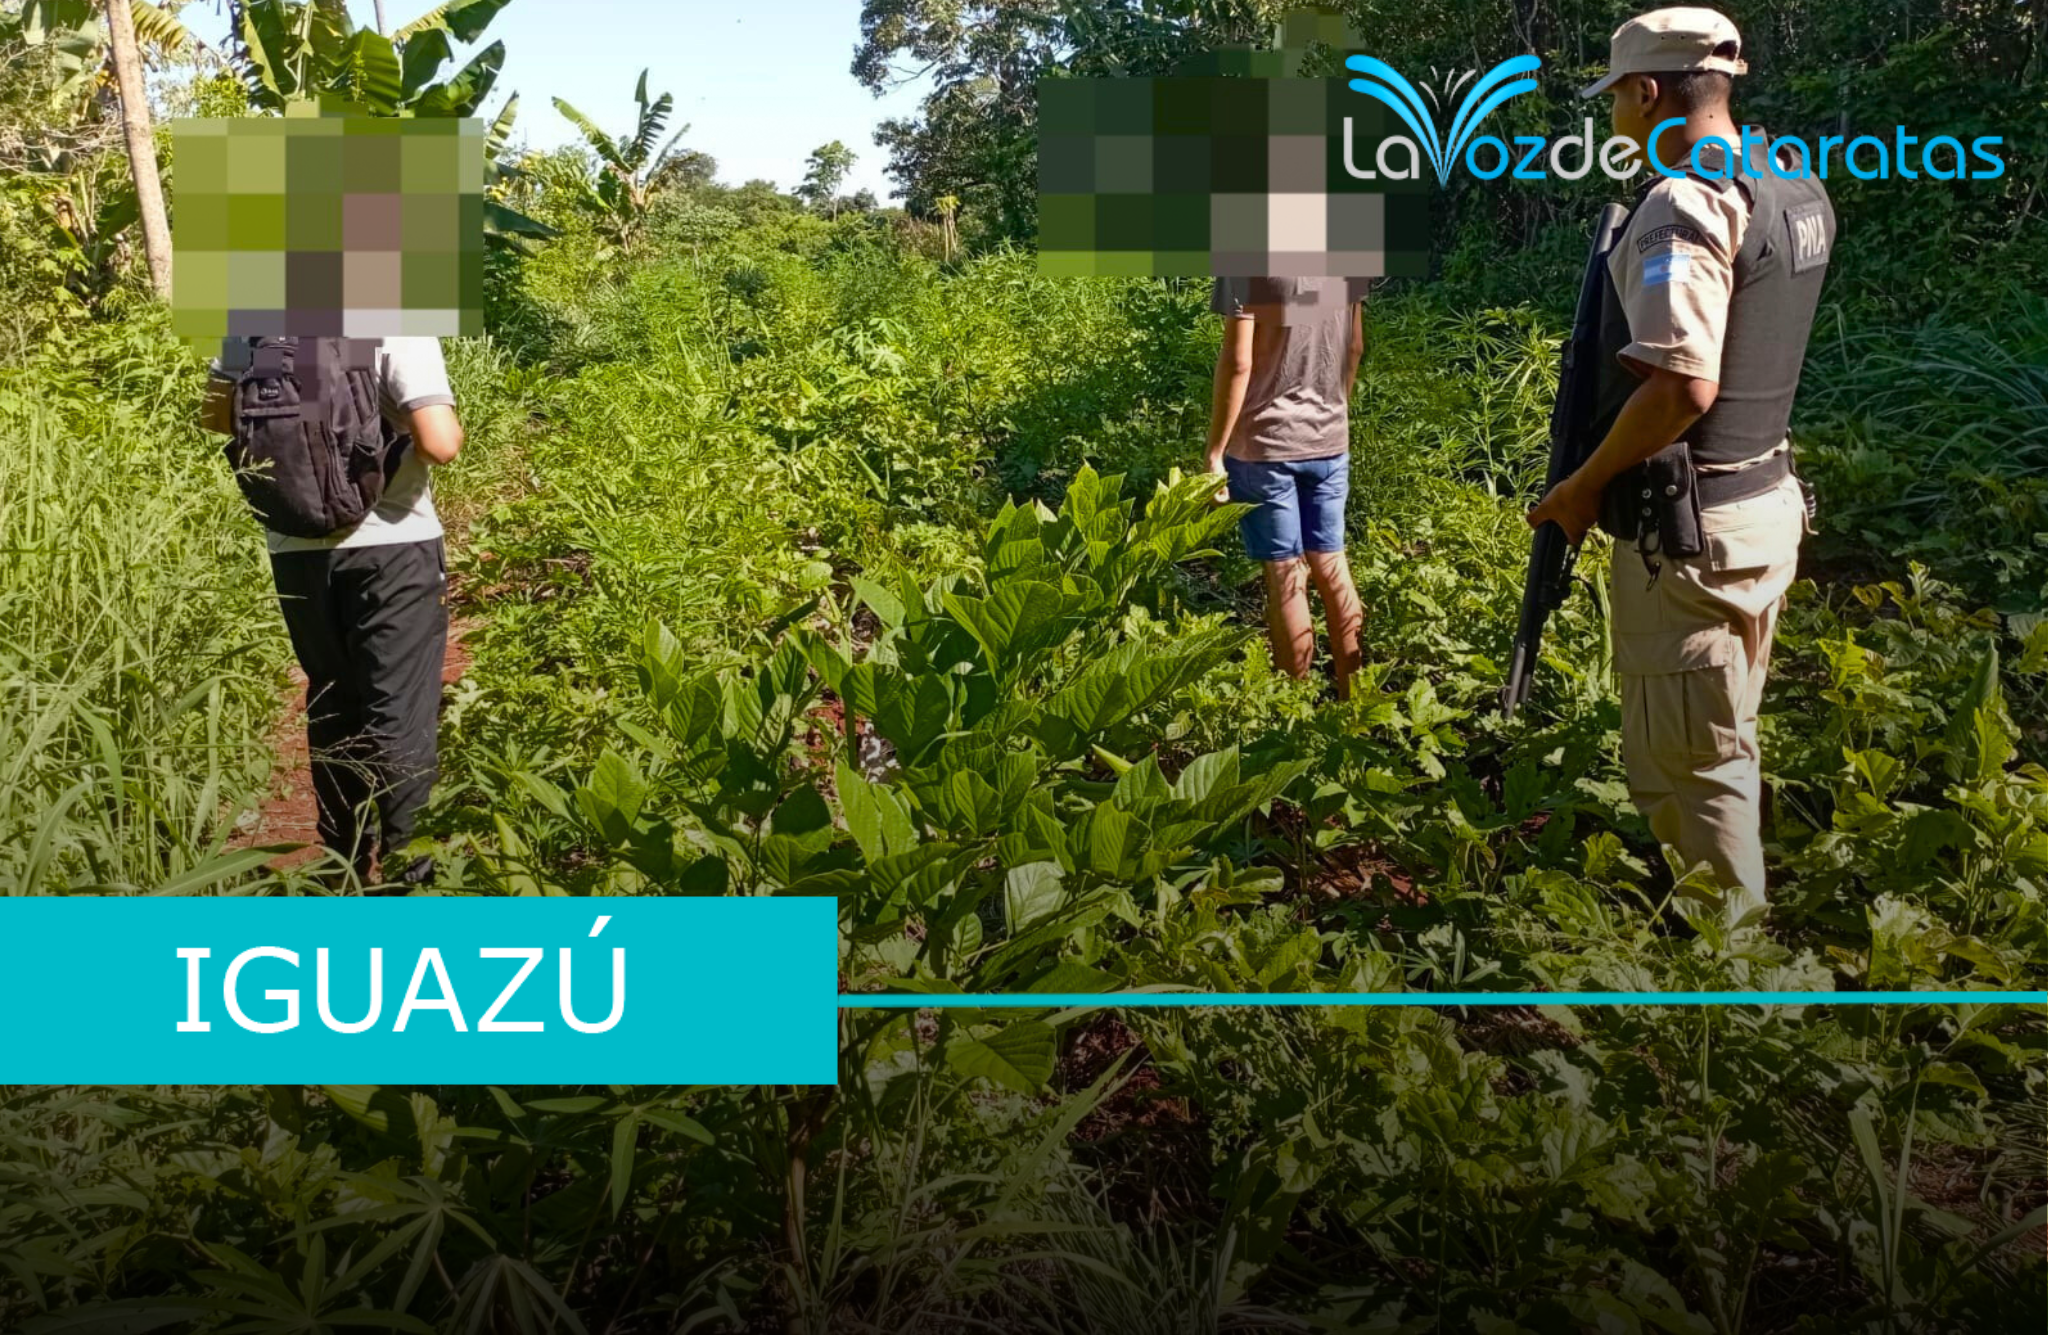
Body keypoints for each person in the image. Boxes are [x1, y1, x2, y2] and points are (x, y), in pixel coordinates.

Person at [1528, 7, 1835, 924]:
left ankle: (1732, 997)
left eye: (1618, 93)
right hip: (1765, 501)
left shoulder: (1684, 202)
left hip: (1694, 537)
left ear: (1650, 91)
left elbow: (1680, 388)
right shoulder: (1791, 183)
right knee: (1723, 736)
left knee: (1686, 773)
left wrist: (1581, 488)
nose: (1613, 113)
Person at [201, 336, 464, 890]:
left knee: (331, 701)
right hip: (394, 545)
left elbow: (216, 418)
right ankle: (408, 878)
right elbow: (440, 443)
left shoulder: (254, 324)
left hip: (295, 550)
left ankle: (338, 867)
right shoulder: (392, 317)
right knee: (400, 712)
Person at [1205, 276, 1369, 698]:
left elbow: (1238, 362)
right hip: (1331, 441)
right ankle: (1358, 702)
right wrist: (1334, 416)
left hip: (1265, 445)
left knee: (1284, 574)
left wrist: (1215, 453)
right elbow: (1354, 347)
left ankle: (1294, 710)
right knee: (1332, 566)